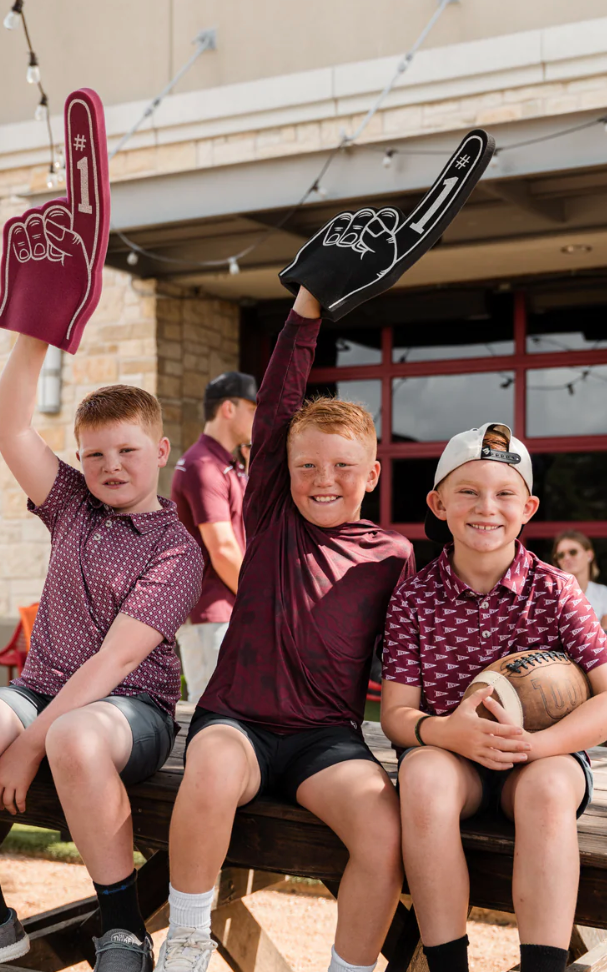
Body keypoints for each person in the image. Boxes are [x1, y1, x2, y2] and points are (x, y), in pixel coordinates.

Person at [0, 336, 203, 972]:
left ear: (160, 451)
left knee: (73, 736)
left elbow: (116, 662)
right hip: (40, 689)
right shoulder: (70, 504)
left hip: (130, 710)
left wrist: (28, 745)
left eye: (127, 451)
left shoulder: (177, 549)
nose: (110, 466)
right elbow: (9, 427)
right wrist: (34, 337)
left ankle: (124, 934)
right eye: (94, 454)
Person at [156, 286, 415, 972]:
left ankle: (348, 968)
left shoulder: (394, 555)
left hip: (324, 741)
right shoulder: (272, 516)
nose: (323, 479)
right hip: (237, 723)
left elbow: (407, 659)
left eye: (342, 466)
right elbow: (274, 407)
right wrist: (307, 308)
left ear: (372, 474)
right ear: (281, 470)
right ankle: (187, 943)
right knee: (209, 769)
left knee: (384, 831)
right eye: (307, 466)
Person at [381, 422, 607, 972]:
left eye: (505, 493)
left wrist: (538, 744)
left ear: (528, 508)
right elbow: (395, 713)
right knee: (422, 775)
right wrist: (447, 732)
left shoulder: (556, 590)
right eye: (468, 491)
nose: (487, 507)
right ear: (438, 504)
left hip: (539, 761)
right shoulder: (413, 597)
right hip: (455, 763)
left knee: (549, 787)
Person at [171, 372, 257, 703]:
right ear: (228, 409)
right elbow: (222, 549)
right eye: (252, 409)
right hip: (211, 612)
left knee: (237, 710)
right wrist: (259, 602)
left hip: (228, 609)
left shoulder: (228, 464)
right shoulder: (202, 465)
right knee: (212, 709)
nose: (257, 418)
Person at [552, 530, 607, 629]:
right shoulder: (550, 594)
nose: (566, 558)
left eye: (573, 552)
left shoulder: (602, 593)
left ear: (589, 555)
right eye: (560, 555)